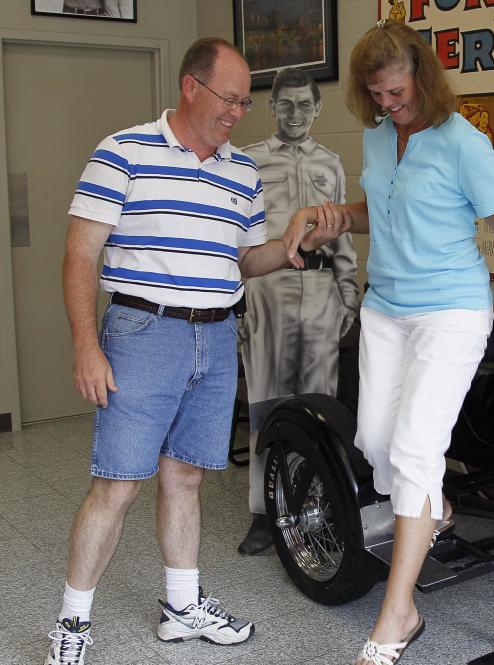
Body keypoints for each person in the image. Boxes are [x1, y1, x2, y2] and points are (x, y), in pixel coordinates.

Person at [45, 37, 339, 665]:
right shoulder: (122, 152)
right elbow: (79, 255)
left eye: (243, 103)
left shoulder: (241, 173)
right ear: (189, 86)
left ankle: (182, 609)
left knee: (186, 478)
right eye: (228, 99)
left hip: (215, 335)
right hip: (143, 334)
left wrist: (286, 242)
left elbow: (244, 259)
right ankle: (72, 624)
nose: (237, 112)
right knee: (117, 485)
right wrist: (85, 347)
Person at [283, 19, 494, 665]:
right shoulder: (380, 140)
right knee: (377, 443)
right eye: (376, 93)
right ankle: (432, 507)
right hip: (386, 310)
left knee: (412, 448)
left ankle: (397, 614)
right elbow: (378, 212)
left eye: (397, 91)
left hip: (452, 312)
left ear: (423, 79)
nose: (387, 103)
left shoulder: (464, 143)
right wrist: (330, 220)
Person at [236, 67, 361, 555]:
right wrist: (240, 305)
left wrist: (348, 294)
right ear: (271, 108)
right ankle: (264, 513)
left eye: (303, 105)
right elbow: (240, 240)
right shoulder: (249, 162)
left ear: (317, 108)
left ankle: (314, 502)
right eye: (284, 105)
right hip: (269, 288)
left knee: (319, 406)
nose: (294, 114)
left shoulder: (330, 163)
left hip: (321, 292)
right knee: (267, 404)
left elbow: (344, 234)